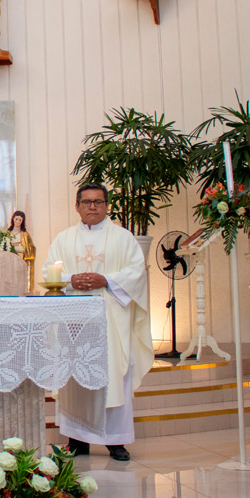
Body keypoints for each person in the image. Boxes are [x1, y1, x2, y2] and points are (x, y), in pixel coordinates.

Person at [48, 183, 151, 461]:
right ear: (77, 206)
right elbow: (48, 271)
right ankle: (77, 440)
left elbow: (136, 272)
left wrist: (106, 279)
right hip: (74, 319)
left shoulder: (123, 237)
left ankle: (116, 441)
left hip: (112, 319)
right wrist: (71, 279)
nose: (92, 206)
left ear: (106, 205)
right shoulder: (63, 239)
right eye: (87, 202)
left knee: (114, 376)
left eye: (98, 202)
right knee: (76, 375)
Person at [8, 210, 36, 292]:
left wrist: (20, 249)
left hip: (21, 261)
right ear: (13, 219)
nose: (17, 222)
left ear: (22, 221)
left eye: (20, 220)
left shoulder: (25, 234)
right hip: (9, 262)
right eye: (16, 219)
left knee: (20, 282)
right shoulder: (7, 233)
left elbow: (31, 248)